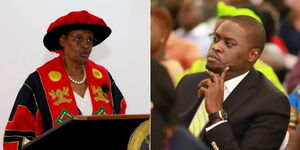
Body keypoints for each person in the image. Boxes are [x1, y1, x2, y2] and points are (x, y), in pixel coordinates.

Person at [3, 10, 127, 150]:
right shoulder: (39, 81)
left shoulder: (103, 77)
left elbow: (120, 120)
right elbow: (17, 134)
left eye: (90, 39)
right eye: (78, 38)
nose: (86, 45)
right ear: (62, 40)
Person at [175, 15, 290, 149]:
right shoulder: (189, 82)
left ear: (252, 55)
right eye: (215, 39)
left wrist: (217, 115)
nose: (216, 47)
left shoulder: (271, 102)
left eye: (229, 43)